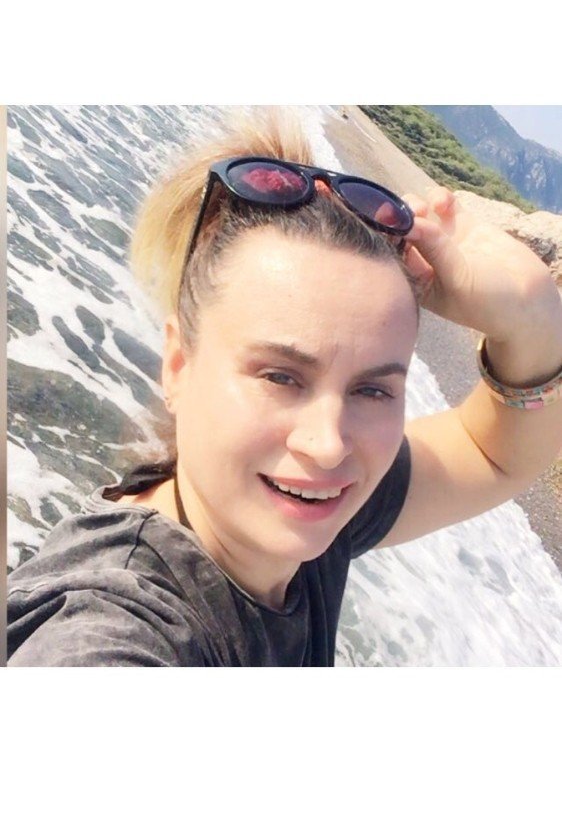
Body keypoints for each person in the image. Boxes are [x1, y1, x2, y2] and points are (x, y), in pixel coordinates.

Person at [7, 110, 562, 666]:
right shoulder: (110, 627)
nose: (328, 446)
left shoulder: (314, 514)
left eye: (372, 390)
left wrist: (535, 317)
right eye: (280, 377)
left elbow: (493, 456)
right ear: (178, 365)